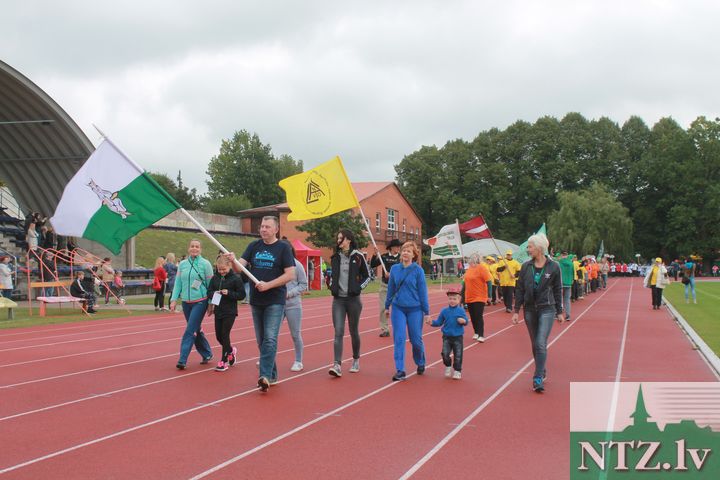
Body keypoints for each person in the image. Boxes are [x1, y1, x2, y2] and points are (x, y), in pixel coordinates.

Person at [232, 216, 295, 392]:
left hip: (275, 300)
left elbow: (290, 274)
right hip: (257, 300)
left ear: (276, 229)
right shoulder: (254, 246)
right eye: (262, 226)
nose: (263, 229)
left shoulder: (283, 248)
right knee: (262, 341)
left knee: (270, 338)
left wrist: (269, 285)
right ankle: (272, 374)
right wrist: (233, 260)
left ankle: (264, 375)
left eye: (267, 227)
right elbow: (239, 269)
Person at [511, 233, 563, 393]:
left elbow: (557, 289)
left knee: (540, 342)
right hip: (529, 309)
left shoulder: (554, 267)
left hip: (547, 308)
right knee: (535, 343)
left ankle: (538, 377)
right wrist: (516, 310)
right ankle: (542, 368)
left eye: (530, 246)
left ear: (539, 248)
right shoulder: (526, 266)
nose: (528, 249)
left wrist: (560, 311)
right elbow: (519, 289)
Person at [328, 229, 371, 377]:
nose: (338, 241)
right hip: (338, 300)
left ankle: (356, 359)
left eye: (341, 238)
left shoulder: (358, 256)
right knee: (338, 331)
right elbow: (331, 275)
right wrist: (331, 284)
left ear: (349, 240)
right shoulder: (335, 257)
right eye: (338, 238)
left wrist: (358, 288)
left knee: (353, 331)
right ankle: (337, 365)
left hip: (354, 300)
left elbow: (368, 276)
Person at [385, 241, 430, 382]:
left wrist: (427, 312)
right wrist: (387, 306)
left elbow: (423, 292)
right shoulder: (394, 269)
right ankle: (400, 370)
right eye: (404, 250)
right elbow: (391, 289)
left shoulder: (418, 271)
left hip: (415, 309)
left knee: (415, 339)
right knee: (399, 338)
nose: (405, 253)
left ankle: (420, 361)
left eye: (408, 251)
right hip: (398, 308)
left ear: (414, 255)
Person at [170, 239, 215, 370]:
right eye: (192, 246)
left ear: (200, 249)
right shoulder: (183, 264)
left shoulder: (205, 264)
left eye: (197, 246)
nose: (194, 248)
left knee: (190, 330)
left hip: (200, 301)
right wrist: (174, 299)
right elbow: (178, 283)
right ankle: (207, 353)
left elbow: (211, 286)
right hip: (186, 302)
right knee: (195, 329)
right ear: (188, 248)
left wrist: (211, 303)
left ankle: (182, 359)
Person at [207, 256, 245, 372]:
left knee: (224, 334)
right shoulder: (215, 278)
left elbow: (241, 295)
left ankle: (223, 361)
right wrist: (214, 293)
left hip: (230, 311)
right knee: (218, 336)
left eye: (224, 269)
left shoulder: (236, 279)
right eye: (219, 269)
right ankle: (230, 351)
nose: (222, 271)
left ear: (229, 266)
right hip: (218, 310)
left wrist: (229, 293)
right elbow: (208, 292)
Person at [426, 287, 468, 380]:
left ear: (459, 300)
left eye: (454, 299)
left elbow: (466, 321)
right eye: (450, 298)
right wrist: (431, 322)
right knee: (445, 353)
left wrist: (463, 321)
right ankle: (448, 366)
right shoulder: (444, 311)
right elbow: (439, 322)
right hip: (447, 337)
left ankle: (457, 371)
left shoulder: (461, 310)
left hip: (458, 337)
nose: (452, 301)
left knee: (458, 355)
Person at [370, 238, 402, 338]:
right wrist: (374, 255)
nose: (398, 248)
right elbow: (372, 265)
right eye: (397, 246)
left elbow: (403, 271)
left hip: (397, 287)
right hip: (385, 286)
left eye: (399, 246)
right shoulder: (384, 257)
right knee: (383, 308)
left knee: (397, 308)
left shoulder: (401, 258)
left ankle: (399, 329)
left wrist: (392, 275)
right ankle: (385, 329)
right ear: (391, 247)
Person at [284, 242, 308, 372]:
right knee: (271, 334)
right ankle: (267, 358)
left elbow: (303, 284)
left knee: (295, 334)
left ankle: (298, 361)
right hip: (276, 304)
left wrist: (290, 293)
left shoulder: (297, 265)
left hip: (293, 305)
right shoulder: (277, 265)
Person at [464, 253, 493, 342]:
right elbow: (465, 282)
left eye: (472, 259)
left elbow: (489, 281)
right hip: (469, 296)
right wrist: (461, 295)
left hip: (479, 296)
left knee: (478, 315)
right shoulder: (469, 269)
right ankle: (476, 332)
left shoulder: (482, 268)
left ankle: (481, 334)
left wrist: (489, 295)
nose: (470, 261)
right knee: (472, 316)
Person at [557, 250, 574, 321]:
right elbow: (573, 272)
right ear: (567, 255)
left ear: (561, 255)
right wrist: (571, 280)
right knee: (567, 299)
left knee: (559, 299)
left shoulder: (559, 262)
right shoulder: (571, 263)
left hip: (560, 283)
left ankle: (558, 313)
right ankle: (568, 315)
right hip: (568, 283)